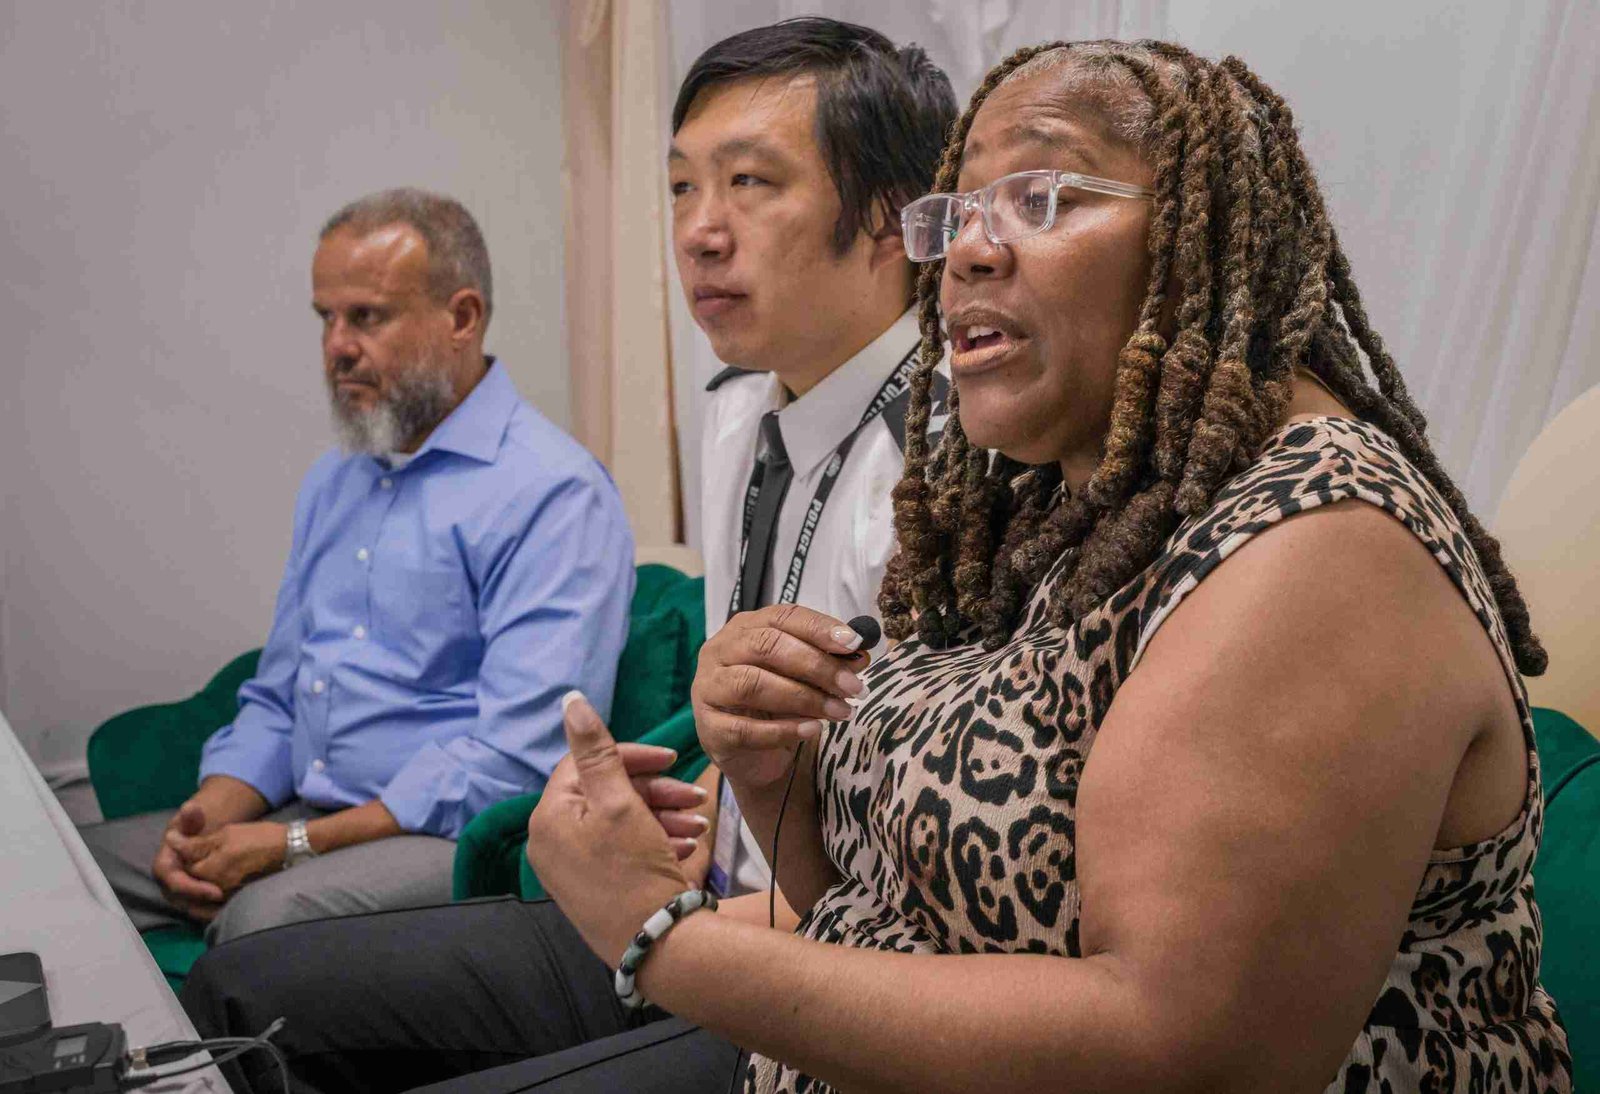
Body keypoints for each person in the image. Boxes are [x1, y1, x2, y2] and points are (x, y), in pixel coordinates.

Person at [506, 40, 1574, 1093]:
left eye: (1039, 197)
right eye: (956, 213)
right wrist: (769, 767)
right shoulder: (1052, 506)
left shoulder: (1324, 540)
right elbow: (876, 901)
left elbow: (1176, 1049)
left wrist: (662, 935)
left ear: (1198, 235)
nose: (966, 252)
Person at [180, 19, 958, 1093]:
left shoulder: (956, 455)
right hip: (711, 898)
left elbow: (919, 882)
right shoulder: (738, 410)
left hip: (834, 964)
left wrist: (660, 914)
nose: (699, 232)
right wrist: (685, 826)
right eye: (681, 188)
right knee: (238, 991)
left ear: (887, 217)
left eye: (749, 182)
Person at [80, 188, 636, 947]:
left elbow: (516, 761)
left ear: (462, 318)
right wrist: (206, 821)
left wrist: (292, 846)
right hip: (308, 816)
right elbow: (282, 695)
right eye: (326, 318)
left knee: (257, 927)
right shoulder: (335, 480)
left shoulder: (553, 491)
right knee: (58, 868)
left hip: (450, 835)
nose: (337, 346)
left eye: (367, 317)